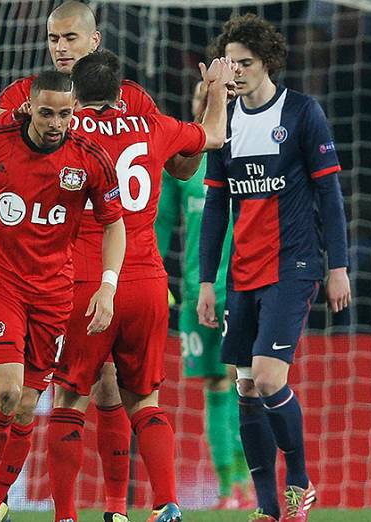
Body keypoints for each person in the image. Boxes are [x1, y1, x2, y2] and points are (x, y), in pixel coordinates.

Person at [0, 4, 200, 516]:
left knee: (89, 393)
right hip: (69, 268)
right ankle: (0, 499)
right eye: (53, 37)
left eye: (70, 37)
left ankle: (109, 508)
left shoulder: (128, 99)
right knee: (57, 394)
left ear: (95, 39)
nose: (60, 46)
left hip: (92, 267)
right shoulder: (40, 95)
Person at [44, 50, 232, 522]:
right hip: (147, 281)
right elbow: (212, 136)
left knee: (70, 398)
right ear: (119, 90)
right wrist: (215, 91)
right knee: (144, 400)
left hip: (85, 278)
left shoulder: (65, 130)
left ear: (77, 94)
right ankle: (166, 505)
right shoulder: (152, 125)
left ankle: (65, 514)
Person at [198, 14, 351, 522]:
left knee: (266, 378)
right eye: (231, 64)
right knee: (244, 387)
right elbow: (217, 206)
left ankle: (301, 483)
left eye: (246, 63)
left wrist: (339, 266)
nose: (236, 73)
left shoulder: (303, 113)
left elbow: (329, 194)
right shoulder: (225, 123)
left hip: (295, 265)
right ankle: (267, 508)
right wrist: (204, 281)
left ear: (267, 63)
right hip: (242, 272)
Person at [0, 70, 125, 522]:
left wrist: (108, 285)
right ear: (30, 106)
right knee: (8, 391)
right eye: (47, 112)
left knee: (29, 403)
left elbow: (114, 223)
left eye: (65, 114)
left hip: (54, 290)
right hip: (2, 282)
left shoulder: (89, 158)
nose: (56, 122)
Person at [154, 80, 250, 511]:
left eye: (218, 96)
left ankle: (251, 482)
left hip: (249, 285)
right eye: (201, 96)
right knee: (216, 381)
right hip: (200, 291)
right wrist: (154, 275)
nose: (208, 102)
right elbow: (160, 224)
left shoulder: (253, 152)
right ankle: (230, 490)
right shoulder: (183, 165)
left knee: (250, 382)